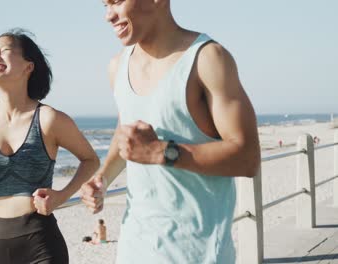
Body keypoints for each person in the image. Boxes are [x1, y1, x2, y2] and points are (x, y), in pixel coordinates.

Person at [80, 1, 260, 263]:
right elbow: (126, 133)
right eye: (105, 5)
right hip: (134, 249)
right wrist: (103, 178)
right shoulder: (117, 67)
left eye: (117, 1)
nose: (108, 15)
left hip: (198, 254)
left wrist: (161, 152)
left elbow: (248, 157)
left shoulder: (208, 58)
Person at [0, 28, 100, 264]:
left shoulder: (49, 119)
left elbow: (91, 159)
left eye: (4, 51)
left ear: (28, 66)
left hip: (40, 242)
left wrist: (61, 196)